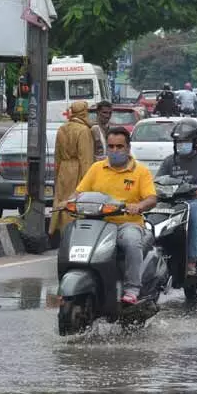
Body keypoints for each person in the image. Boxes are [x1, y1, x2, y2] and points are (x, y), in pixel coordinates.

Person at [73, 127, 157, 304]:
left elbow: (151, 198)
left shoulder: (140, 172)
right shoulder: (97, 168)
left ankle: (132, 289)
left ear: (128, 148)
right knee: (71, 236)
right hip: (98, 223)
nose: (114, 151)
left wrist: (139, 206)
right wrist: (68, 202)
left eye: (119, 147)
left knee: (132, 242)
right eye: (111, 147)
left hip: (127, 224)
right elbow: (79, 193)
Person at [155, 120, 197, 275]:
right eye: (178, 142)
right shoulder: (169, 161)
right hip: (171, 203)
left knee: (193, 215)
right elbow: (156, 183)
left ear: (194, 142)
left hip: (195, 202)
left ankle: (191, 260)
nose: (181, 145)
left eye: (185, 141)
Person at [50, 101, 95, 235]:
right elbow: (85, 158)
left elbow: (57, 156)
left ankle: (62, 231)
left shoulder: (62, 129)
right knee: (75, 202)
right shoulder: (84, 130)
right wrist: (88, 182)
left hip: (63, 170)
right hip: (77, 170)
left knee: (62, 201)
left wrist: (57, 175)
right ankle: (72, 233)